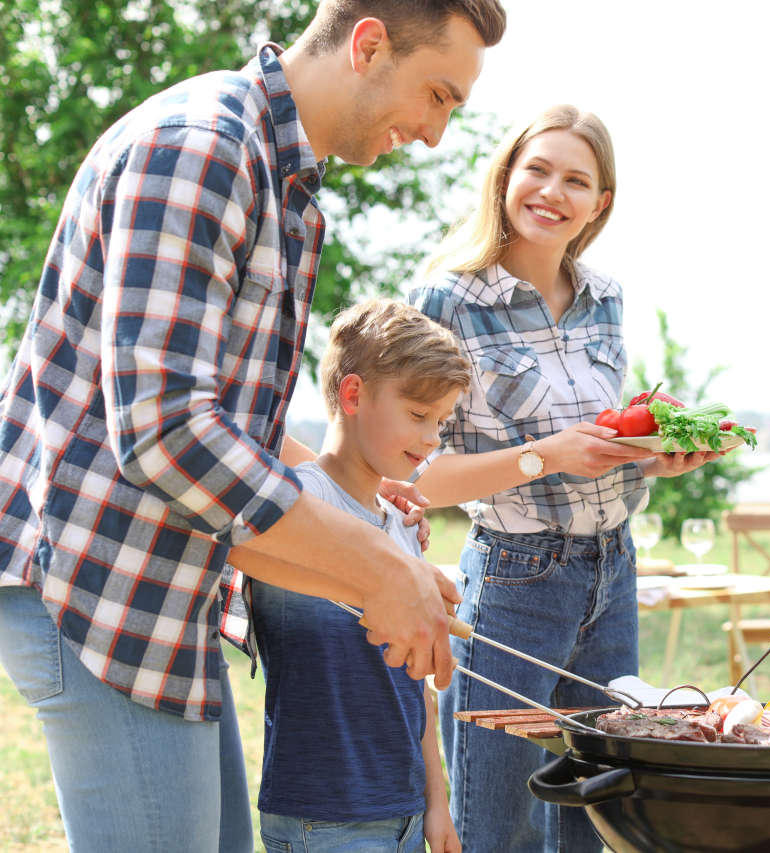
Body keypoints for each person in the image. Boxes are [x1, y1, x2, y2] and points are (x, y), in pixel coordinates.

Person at [0, 2, 505, 850]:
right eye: (438, 95)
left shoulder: (280, 179)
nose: (433, 135)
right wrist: (375, 564)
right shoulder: (201, 148)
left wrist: (355, 500)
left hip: (164, 593)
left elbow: (230, 419)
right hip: (99, 590)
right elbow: (164, 431)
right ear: (368, 44)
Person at [409, 104, 725, 853]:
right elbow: (421, 478)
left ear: (600, 203)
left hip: (612, 572)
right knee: (500, 823)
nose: (552, 191)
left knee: (595, 807)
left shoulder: (606, 298)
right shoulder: (447, 302)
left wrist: (656, 457)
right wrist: (546, 454)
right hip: (516, 581)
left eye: (576, 179)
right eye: (538, 170)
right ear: (506, 179)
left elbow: (603, 443)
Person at [229, 298, 468, 853]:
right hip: (323, 820)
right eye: (417, 415)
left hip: (406, 811)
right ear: (354, 394)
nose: (433, 438)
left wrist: (437, 803)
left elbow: (420, 690)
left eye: (442, 422)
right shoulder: (295, 505)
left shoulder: (402, 526)